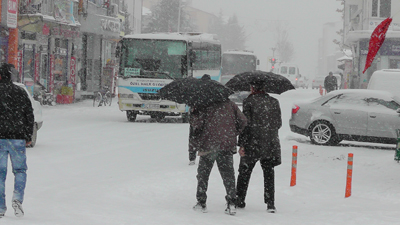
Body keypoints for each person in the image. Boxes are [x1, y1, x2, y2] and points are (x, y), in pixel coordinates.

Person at [191, 100, 247, 215]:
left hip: (208, 145)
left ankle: (201, 202)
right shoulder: (231, 104)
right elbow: (243, 121)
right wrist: (232, 133)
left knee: (203, 174)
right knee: (228, 175)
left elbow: (196, 124)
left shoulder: (204, 104)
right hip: (226, 144)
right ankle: (231, 202)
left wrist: (194, 113)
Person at [236, 82, 282, 213]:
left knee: (244, 172)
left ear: (252, 88)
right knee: (269, 173)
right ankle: (270, 203)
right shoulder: (274, 102)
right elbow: (278, 123)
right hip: (270, 143)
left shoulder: (248, 101)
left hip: (252, 143)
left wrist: (242, 144)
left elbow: (245, 125)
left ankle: (240, 199)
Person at [0, 63, 34, 218]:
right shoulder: (20, 92)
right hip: (17, 138)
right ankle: (17, 199)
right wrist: (27, 136)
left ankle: (0, 207)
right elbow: (29, 114)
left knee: (0, 173)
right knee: (20, 170)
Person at [188, 74, 212, 166]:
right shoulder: (212, 92)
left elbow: (191, 104)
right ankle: (206, 155)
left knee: (193, 138)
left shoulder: (196, 91)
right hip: (207, 119)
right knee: (207, 137)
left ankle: (192, 158)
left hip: (195, 119)